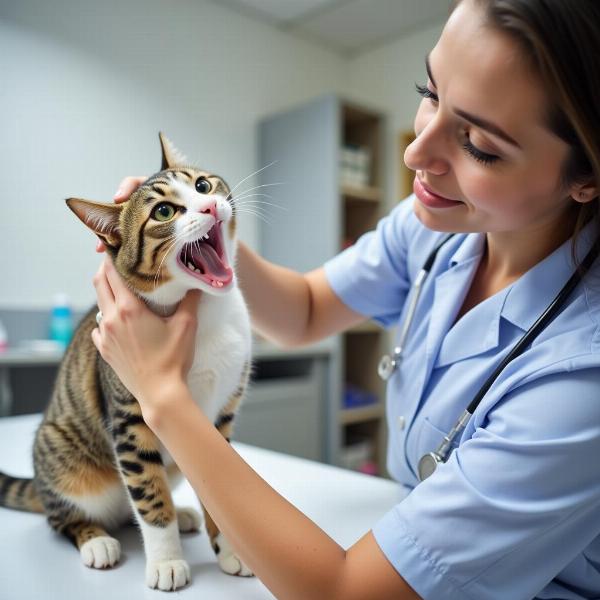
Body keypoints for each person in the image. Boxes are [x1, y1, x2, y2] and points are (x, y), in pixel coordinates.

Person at [92, 0, 600, 598]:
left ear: (586, 176)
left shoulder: (581, 379)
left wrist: (162, 397)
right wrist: (206, 239)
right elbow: (306, 310)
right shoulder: (434, 226)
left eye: (480, 145)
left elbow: (343, 593)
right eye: (429, 91)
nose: (415, 151)